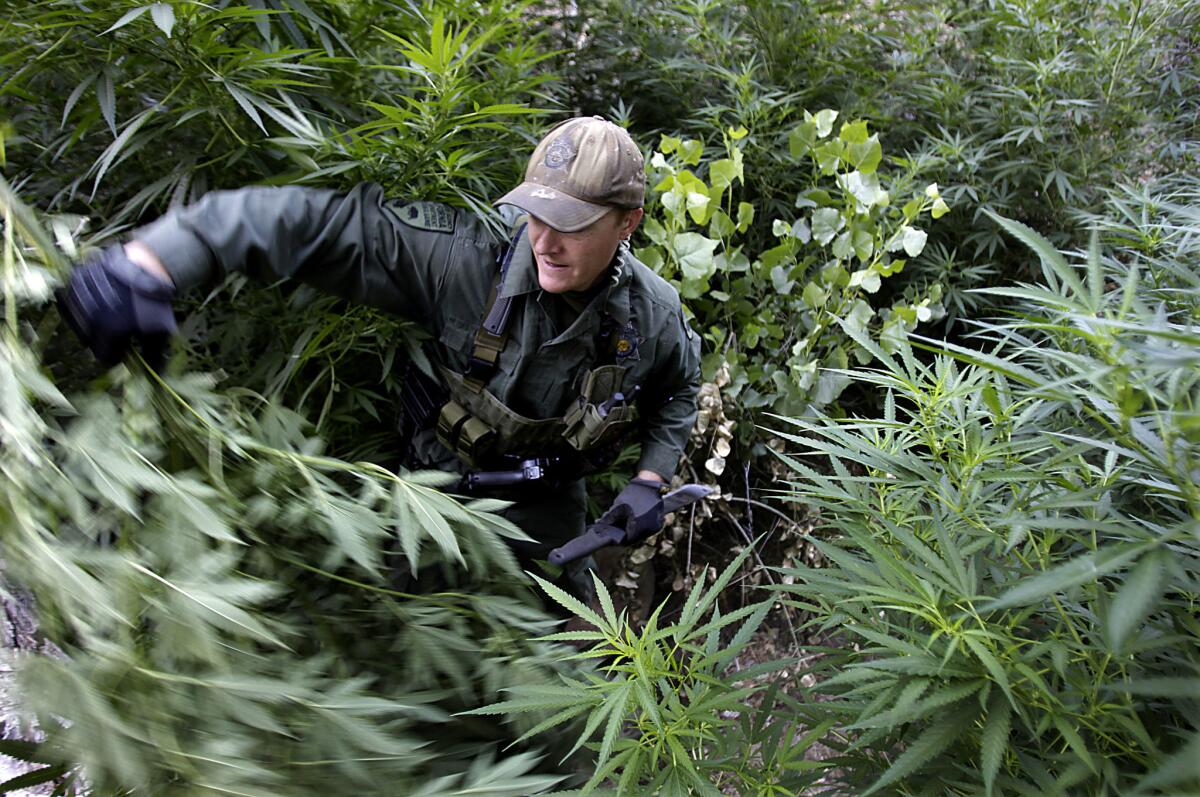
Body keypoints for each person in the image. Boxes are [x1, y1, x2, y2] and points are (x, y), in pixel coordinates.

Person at [57, 116, 702, 577]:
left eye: (573, 225)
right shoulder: (461, 257)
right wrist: (153, 261)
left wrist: (649, 479)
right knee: (401, 651)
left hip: (547, 512)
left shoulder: (653, 318)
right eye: (536, 215)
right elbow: (316, 227)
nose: (544, 241)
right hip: (427, 489)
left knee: (555, 685)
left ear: (627, 223)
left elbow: (678, 391)